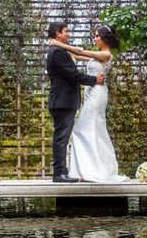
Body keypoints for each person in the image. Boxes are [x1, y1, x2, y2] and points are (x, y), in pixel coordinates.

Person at [49, 25, 128, 183]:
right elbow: (77, 57)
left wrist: (57, 44)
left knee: (84, 129)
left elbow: (80, 52)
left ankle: (94, 168)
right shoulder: (97, 56)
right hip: (92, 93)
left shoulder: (105, 55)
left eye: (98, 36)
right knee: (89, 129)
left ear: (105, 38)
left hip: (97, 94)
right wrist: (59, 49)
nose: (95, 38)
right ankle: (88, 168)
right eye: (95, 36)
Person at [46, 22, 104, 183]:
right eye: (66, 31)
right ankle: (59, 173)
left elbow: (78, 58)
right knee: (61, 138)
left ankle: (62, 172)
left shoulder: (59, 50)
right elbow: (74, 75)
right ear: (57, 34)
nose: (69, 34)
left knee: (62, 137)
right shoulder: (57, 52)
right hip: (62, 102)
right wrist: (95, 80)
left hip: (63, 101)